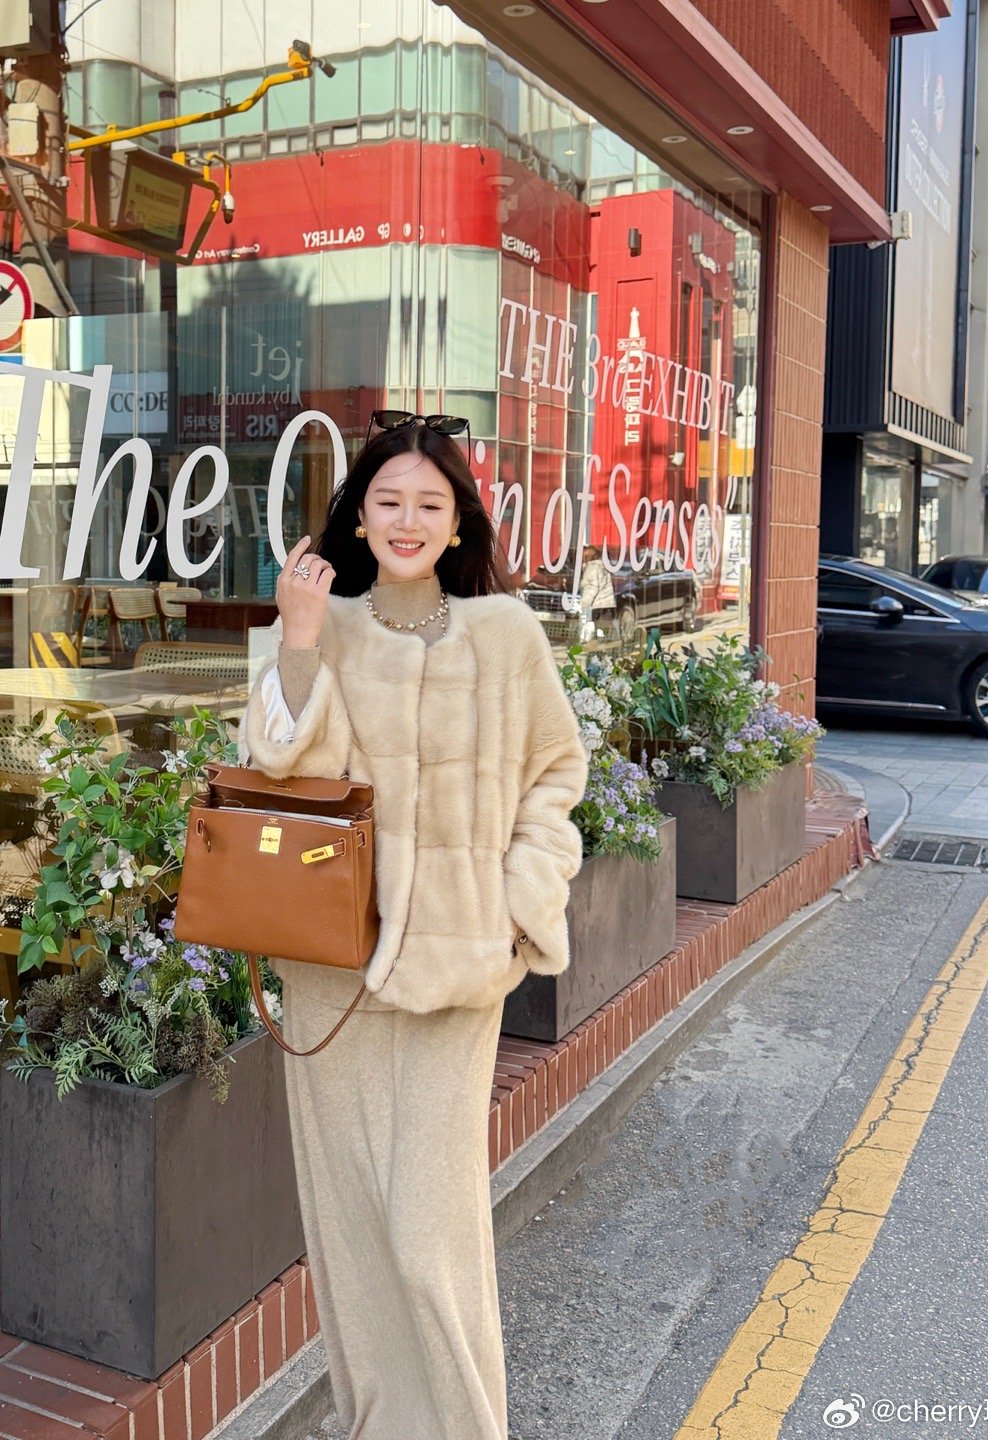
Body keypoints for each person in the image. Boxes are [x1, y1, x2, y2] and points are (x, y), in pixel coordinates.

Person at [240, 417, 588, 1440]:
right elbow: (275, 770)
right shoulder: (320, 625)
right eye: (387, 500)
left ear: (457, 521)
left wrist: (517, 904)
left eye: (429, 503)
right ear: (357, 516)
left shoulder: (506, 635)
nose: (407, 519)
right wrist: (300, 639)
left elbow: (556, 774)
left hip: (458, 974)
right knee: (351, 1233)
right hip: (335, 973)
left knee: (430, 1238)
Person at [578, 543, 616, 641]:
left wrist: (583, 604)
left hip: (598, 604)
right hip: (607, 603)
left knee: (597, 631)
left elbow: (592, 587)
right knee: (605, 631)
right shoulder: (602, 566)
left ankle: (596, 646)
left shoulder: (592, 568)